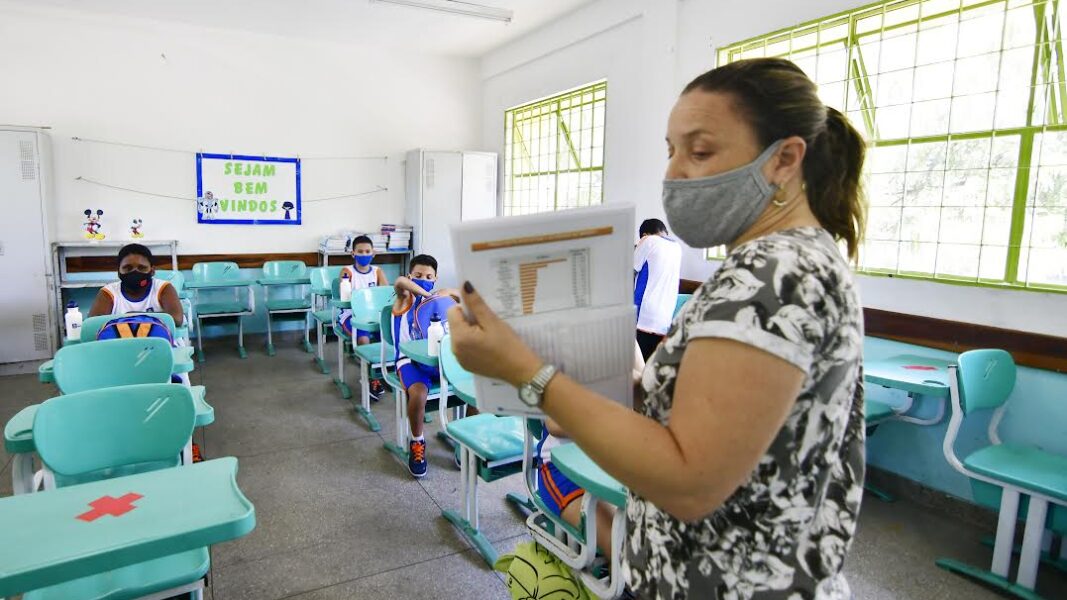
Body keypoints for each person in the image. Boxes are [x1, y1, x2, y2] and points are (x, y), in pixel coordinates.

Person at [449, 57, 866, 599]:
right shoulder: (786, 262)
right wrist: (592, 404)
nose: (673, 174)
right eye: (671, 150)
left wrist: (527, 372)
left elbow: (689, 483)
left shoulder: (774, 274)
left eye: (700, 151)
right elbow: (705, 426)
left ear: (784, 159)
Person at [391, 254, 468, 478]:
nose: (423, 279)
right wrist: (424, 293)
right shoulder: (405, 299)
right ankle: (417, 442)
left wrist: (449, 291)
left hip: (440, 360)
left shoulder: (441, 302)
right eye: (417, 276)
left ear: (436, 279)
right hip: (410, 362)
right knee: (419, 395)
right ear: (410, 276)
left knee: (473, 390)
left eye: (428, 277)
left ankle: (464, 443)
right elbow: (399, 283)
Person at [337, 234, 389, 399]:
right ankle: (371, 379)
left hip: (374, 316)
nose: (364, 254)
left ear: (373, 253)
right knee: (364, 339)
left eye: (368, 251)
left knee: (389, 336)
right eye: (360, 251)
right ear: (353, 253)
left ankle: (386, 372)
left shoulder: (378, 272)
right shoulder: (347, 272)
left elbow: (386, 295)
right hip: (351, 315)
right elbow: (346, 297)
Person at [89, 243, 184, 328]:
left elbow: (176, 319)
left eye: (141, 268)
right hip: (121, 345)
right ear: (118, 272)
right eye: (128, 268)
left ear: (152, 271)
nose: (134, 272)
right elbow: (93, 325)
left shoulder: (163, 288)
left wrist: (131, 317)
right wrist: (143, 318)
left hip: (162, 343)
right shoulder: (109, 292)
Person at [634, 218, 682, 360]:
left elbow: (630, 270)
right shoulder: (677, 247)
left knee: (637, 362)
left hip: (644, 315)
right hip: (665, 317)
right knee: (650, 363)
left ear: (645, 234)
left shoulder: (648, 241)